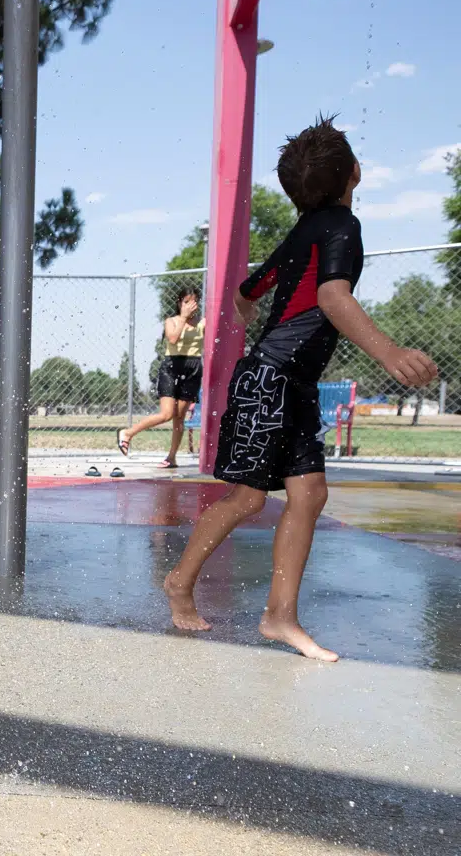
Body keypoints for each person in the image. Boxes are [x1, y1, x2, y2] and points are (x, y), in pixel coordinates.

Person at [163, 116, 437, 661]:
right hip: (271, 381)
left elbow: (246, 292)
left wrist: (261, 323)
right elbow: (334, 299)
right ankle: (179, 583)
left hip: (285, 382)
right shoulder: (339, 227)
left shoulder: (304, 230)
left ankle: (279, 616)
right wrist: (390, 351)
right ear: (354, 173)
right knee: (247, 497)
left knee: (309, 494)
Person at [118, 288, 204, 468]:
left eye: (193, 302)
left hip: (193, 368)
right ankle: (128, 433)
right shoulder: (171, 321)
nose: (189, 306)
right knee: (167, 414)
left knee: (179, 417)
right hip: (172, 367)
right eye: (186, 301)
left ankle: (171, 457)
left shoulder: (203, 322)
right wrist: (182, 317)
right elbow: (172, 338)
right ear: (180, 303)